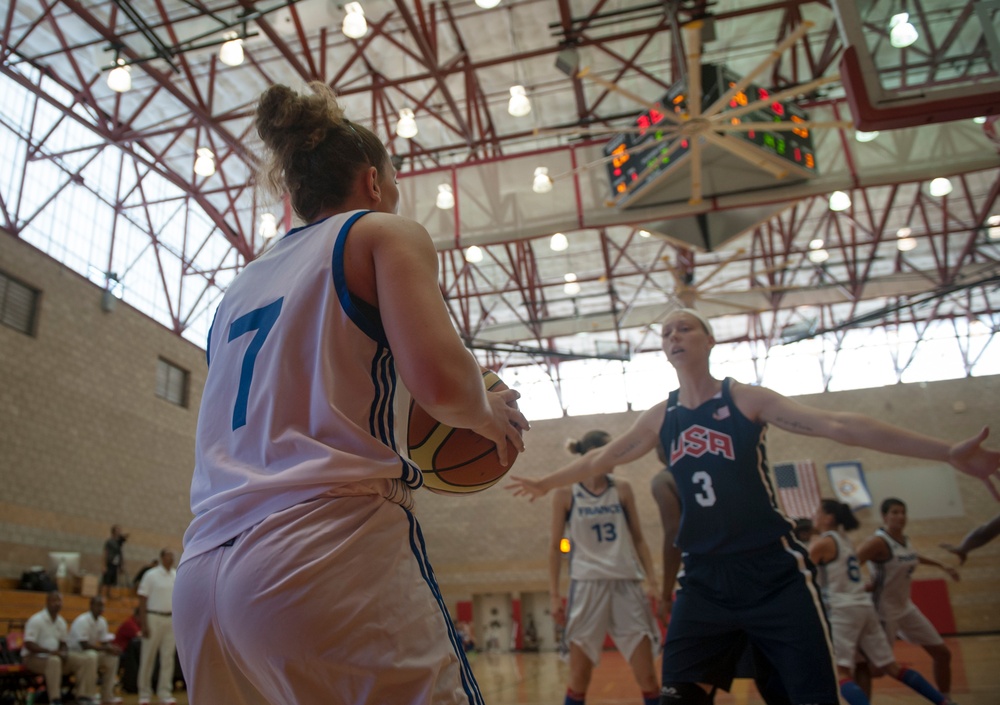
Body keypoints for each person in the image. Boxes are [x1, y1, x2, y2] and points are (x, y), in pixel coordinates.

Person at [172, 81, 528, 705]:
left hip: (202, 576)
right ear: (371, 182)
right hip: (319, 551)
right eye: (392, 185)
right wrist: (485, 410)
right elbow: (442, 383)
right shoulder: (382, 233)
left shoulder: (238, 290)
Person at [507, 307, 1000, 705]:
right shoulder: (663, 416)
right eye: (665, 332)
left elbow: (841, 425)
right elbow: (605, 454)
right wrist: (548, 482)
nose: (674, 335)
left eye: (685, 327)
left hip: (772, 572)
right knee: (675, 694)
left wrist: (947, 453)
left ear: (708, 340)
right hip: (703, 580)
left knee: (807, 695)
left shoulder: (745, 400)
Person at [549, 430, 660, 705]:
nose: (617, 456)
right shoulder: (565, 493)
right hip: (586, 585)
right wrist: (553, 594)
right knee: (579, 679)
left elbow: (639, 539)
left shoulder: (622, 488)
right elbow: (554, 548)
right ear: (592, 455)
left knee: (648, 678)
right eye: (611, 451)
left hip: (626, 583)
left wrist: (653, 581)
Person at [810, 499, 955, 705]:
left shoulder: (822, 543)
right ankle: (943, 701)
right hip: (865, 607)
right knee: (891, 667)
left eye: (817, 512)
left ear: (828, 518)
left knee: (841, 673)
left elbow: (800, 573)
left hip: (844, 609)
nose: (813, 516)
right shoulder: (845, 540)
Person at [857, 498, 960, 699]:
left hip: (906, 607)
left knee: (942, 654)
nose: (901, 516)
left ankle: (945, 699)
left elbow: (913, 556)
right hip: (883, 610)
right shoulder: (877, 542)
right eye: (895, 512)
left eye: (903, 512)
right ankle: (849, 682)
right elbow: (849, 566)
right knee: (876, 670)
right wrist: (861, 587)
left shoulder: (905, 540)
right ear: (885, 516)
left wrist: (942, 565)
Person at [21, 590, 98, 705]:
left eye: (60, 601)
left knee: (88, 659)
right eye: (54, 600)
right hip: (33, 658)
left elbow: (63, 643)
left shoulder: (61, 622)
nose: (57, 603)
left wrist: (64, 652)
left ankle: (84, 696)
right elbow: (29, 644)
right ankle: (55, 699)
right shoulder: (36, 620)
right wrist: (50, 652)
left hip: (53, 658)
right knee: (54, 660)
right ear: (47, 602)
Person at [137, 548, 177, 705]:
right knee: (148, 657)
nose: (171, 558)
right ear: (161, 557)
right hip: (153, 617)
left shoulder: (176, 575)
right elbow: (142, 599)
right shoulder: (151, 575)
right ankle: (144, 693)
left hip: (171, 619)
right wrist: (144, 624)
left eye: (173, 555)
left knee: (168, 658)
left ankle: (165, 692)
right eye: (168, 555)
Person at [69, 596, 123, 705]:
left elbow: (104, 642)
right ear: (91, 606)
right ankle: (87, 695)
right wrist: (105, 648)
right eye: (98, 605)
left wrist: (112, 649)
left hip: (91, 653)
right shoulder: (82, 621)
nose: (101, 608)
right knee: (91, 656)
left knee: (112, 658)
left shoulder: (102, 621)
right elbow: (84, 645)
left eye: (102, 605)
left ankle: (107, 695)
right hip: (76, 653)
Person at [101, 525, 127, 599]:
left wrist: (121, 565)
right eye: (117, 530)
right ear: (113, 531)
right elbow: (105, 553)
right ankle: (103, 594)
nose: (119, 532)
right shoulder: (109, 541)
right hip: (109, 562)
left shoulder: (118, 543)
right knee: (106, 580)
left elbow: (120, 554)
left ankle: (109, 594)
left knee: (112, 580)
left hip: (116, 564)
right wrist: (104, 565)